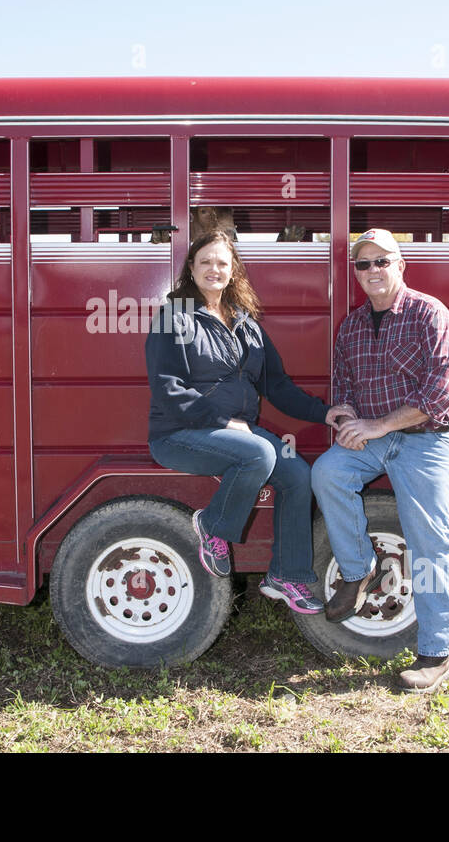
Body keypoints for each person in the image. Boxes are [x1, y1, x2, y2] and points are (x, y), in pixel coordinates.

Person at [145, 229, 349, 614]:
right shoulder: (173, 317)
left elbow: (278, 386)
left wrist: (324, 412)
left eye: (222, 262)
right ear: (191, 267)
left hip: (235, 433)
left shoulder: (245, 323)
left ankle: (287, 575)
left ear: (232, 270)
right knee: (258, 454)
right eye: (205, 261)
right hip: (181, 433)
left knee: (299, 475)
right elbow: (166, 387)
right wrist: (220, 418)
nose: (214, 269)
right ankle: (214, 527)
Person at [312, 229, 449, 693]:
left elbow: (442, 394)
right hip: (378, 436)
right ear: (356, 273)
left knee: (428, 538)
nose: (373, 271)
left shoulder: (430, 314)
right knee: (328, 472)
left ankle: (436, 653)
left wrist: (378, 426)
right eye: (364, 264)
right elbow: (344, 386)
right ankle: (360, 570)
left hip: (428, 439)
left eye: (383, 261)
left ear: (401, 265)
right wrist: (343, 414)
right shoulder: (352, 325)